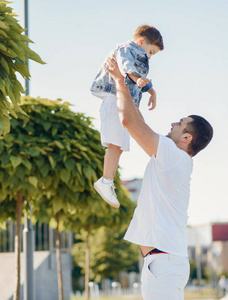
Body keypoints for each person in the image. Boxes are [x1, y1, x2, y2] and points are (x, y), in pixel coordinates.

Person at [103, 57, 214, 299]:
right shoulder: (174, 159)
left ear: (187, 138)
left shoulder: (174, 157)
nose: (174, 123)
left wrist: (120, 82)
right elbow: (139, 123)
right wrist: (135, 89)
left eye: (180, 123)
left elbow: (129, 122)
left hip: (164, 265)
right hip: (162, 263)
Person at [90, 25, 164, 208]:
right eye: (151, 51)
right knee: (115, 144)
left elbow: (138, 75)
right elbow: (126, 67)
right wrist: (136, 78)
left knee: (121, 145)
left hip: (124, 100)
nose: (150, 56)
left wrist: (151, 90)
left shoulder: (137, 53)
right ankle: (105, 181)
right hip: (114, 98)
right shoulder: (125, 49)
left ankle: (108, 181)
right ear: (140, 42)